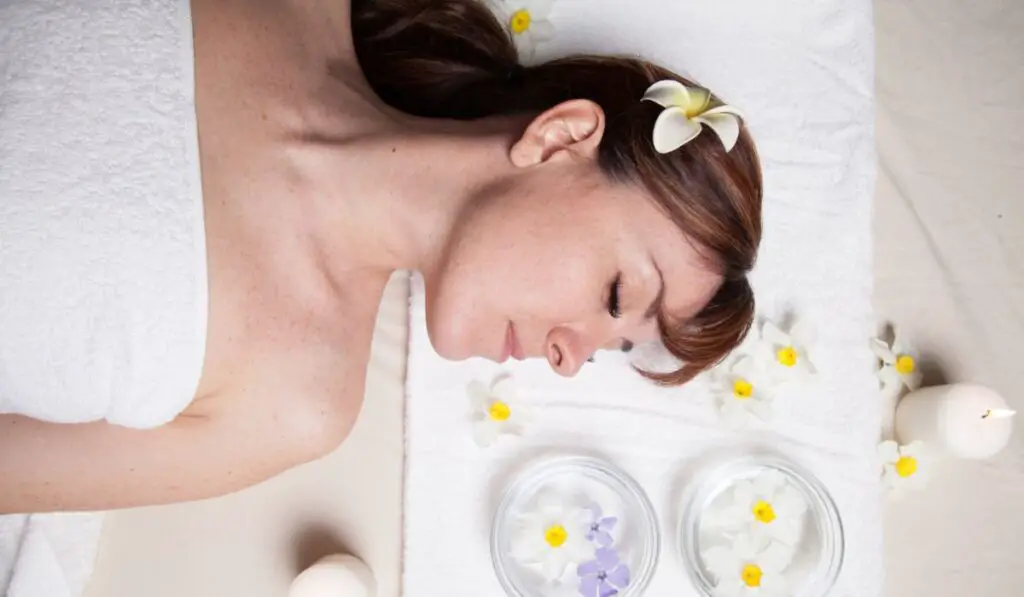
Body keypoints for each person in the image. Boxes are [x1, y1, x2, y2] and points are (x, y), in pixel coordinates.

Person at [0, 0, 761, 514]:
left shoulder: (298, 404)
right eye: (617, 294)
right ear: (559, 138)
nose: (570, 358)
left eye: (608, 351)